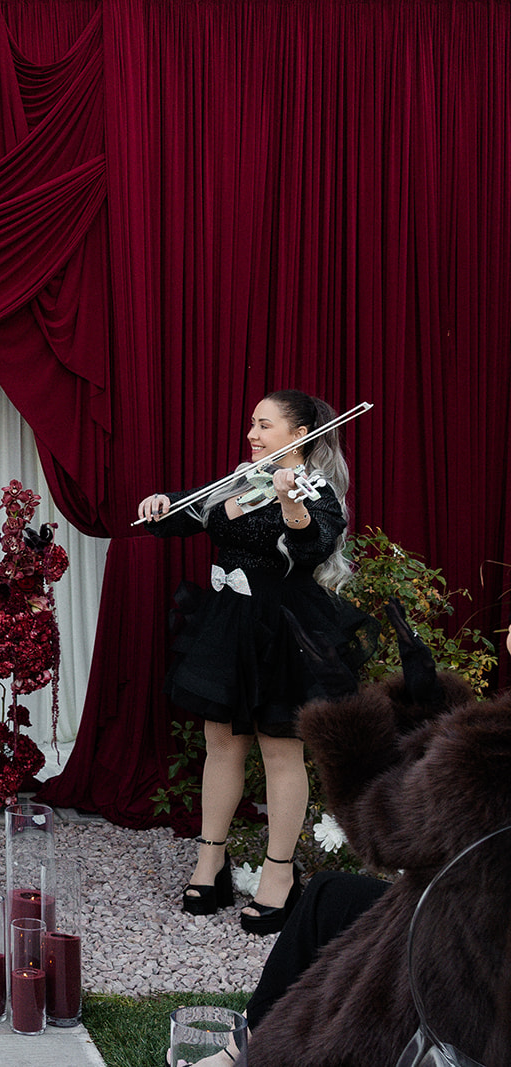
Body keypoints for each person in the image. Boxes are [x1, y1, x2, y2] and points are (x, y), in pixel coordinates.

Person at [189, 620, 511, 1067]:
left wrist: (344, 714)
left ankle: (245, 1057)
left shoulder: (495, 749)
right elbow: (456, 817)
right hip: (487, 933)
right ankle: (238, 1050)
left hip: (473, 980)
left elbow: (381, 830)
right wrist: (431, 709)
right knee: (330, 894)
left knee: (372, 921)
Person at [137, 389, 376, 934]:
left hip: (282, 629)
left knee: (279, 750)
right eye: (252, 423)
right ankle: (211, 861)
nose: (252, 434)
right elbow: (186, 512)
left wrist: (290, 502)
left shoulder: (317, 494)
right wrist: (159, 504)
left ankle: (280, 875)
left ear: (298, 437)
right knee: (220, 744)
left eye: (264, 426)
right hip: (227, 624)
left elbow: (313, 543)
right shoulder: (244, 479)